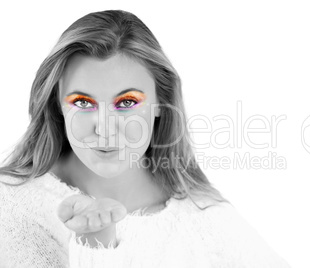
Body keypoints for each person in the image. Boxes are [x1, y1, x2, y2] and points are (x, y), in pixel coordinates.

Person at [0, 9, 291, 268]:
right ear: (57, 105)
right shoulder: (11, 206)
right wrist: (95, 242)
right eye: (83, 103)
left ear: (161, 103)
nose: (105, 128)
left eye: (126, 103)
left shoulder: (206, 221)